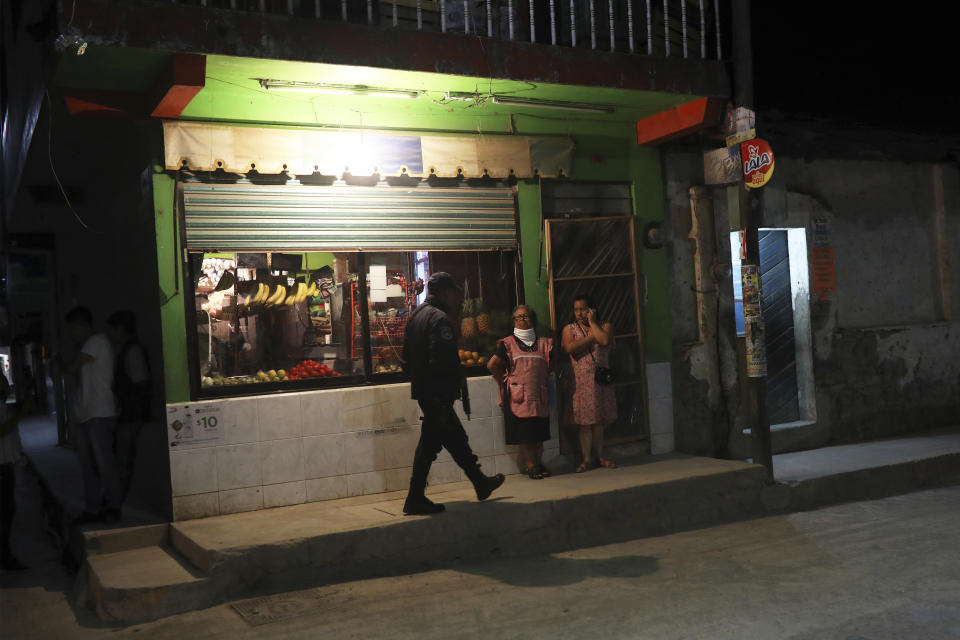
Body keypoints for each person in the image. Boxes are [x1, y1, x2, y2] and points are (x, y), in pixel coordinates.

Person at [401, 272, 505, 515]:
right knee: (430, 444)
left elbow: (405, 360)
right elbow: (443, 360)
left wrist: (423, 382)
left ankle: (481, 483)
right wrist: (449, 387)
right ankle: (415, 497)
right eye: (452, 292)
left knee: (455, 439)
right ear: (444, 292)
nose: (454, 297)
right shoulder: (439, 319)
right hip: (438, 394)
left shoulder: (416, 315)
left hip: (426, 392)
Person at [59, 307, 122, 523]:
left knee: (102, 463)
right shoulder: (95, 343)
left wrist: (58, 362)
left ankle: (111, 505)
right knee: (92, 464)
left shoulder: (95, 342)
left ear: (81, 325)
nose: (71, 335)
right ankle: (96, 507)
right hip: (90, 413)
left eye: (72, 329)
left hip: (99, 413)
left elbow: (70, 367)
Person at [487, 305, 553, 479]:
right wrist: (505, 379)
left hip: (538, 394)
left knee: (539, 432)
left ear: (532, 319)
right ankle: (531, 466)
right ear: (514, 321)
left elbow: (551, 365)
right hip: (519, 398)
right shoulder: (507, 344)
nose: (523, 319)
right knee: (526, 433)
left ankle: (539, 463)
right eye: (519, 317)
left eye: (526, 316)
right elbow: (492, 364)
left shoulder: (544, 343)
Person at [561, 294, 618, 473]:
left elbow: (604, 340)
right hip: (581, 383)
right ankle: (586, 459)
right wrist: (590, 338)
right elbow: (570, 348)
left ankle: (600, 456)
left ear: (591, 309)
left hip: (600, 381)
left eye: (583, 309)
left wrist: (592, 323)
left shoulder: (604, 326)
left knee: (598, 421)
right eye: (576, 309)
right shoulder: (569, 329)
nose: (579, 313)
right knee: (585, 423)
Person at [106, 310, 152, 500]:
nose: (110, 334)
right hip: (131, 414)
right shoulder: (129, 349)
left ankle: (123, 499)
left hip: (131, 416)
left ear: (121, 329)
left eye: (112, 330)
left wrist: (128, 408)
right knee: (125, 458)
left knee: (125, 460)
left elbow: (141, 383)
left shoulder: (132, 351)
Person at [0, 374, 26, 570]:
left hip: (5, 462)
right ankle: (5, 556)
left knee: (8, 509)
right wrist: (18, 417)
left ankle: (6, 554)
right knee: (5, 510)